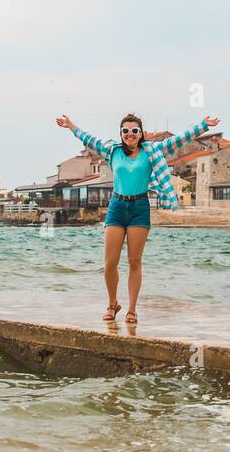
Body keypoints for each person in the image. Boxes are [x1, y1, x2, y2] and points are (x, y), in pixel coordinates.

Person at [54, 111, 220, 323]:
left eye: (134, 130)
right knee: (110, 263)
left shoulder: (152, 150)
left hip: (139, 207)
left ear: (141, 133)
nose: (130, 134)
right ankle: (112, 304)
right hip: (116, 206)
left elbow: (179, 140)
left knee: (134, 261)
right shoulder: (112, 151)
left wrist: (203, 126)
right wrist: (70, 125)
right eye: (126, 130)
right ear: (121, 133)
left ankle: (131, 310)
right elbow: (89, 139)